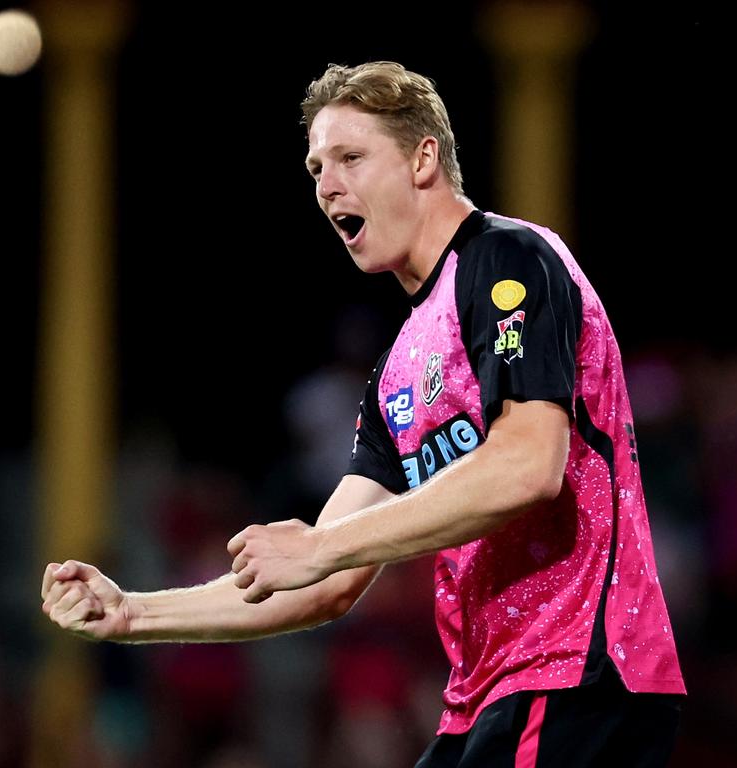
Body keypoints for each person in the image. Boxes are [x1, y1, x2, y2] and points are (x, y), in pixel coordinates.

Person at [42, 61, 686, 766]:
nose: (326, 184)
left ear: (423, 158)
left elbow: (530, 465)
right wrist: (135, 612)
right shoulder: (397, 376)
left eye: (351, 157)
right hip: (486, 698)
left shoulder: (508, 261)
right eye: (317, 166)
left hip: (579, 672)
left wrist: (322, 546)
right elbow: (327, 582)